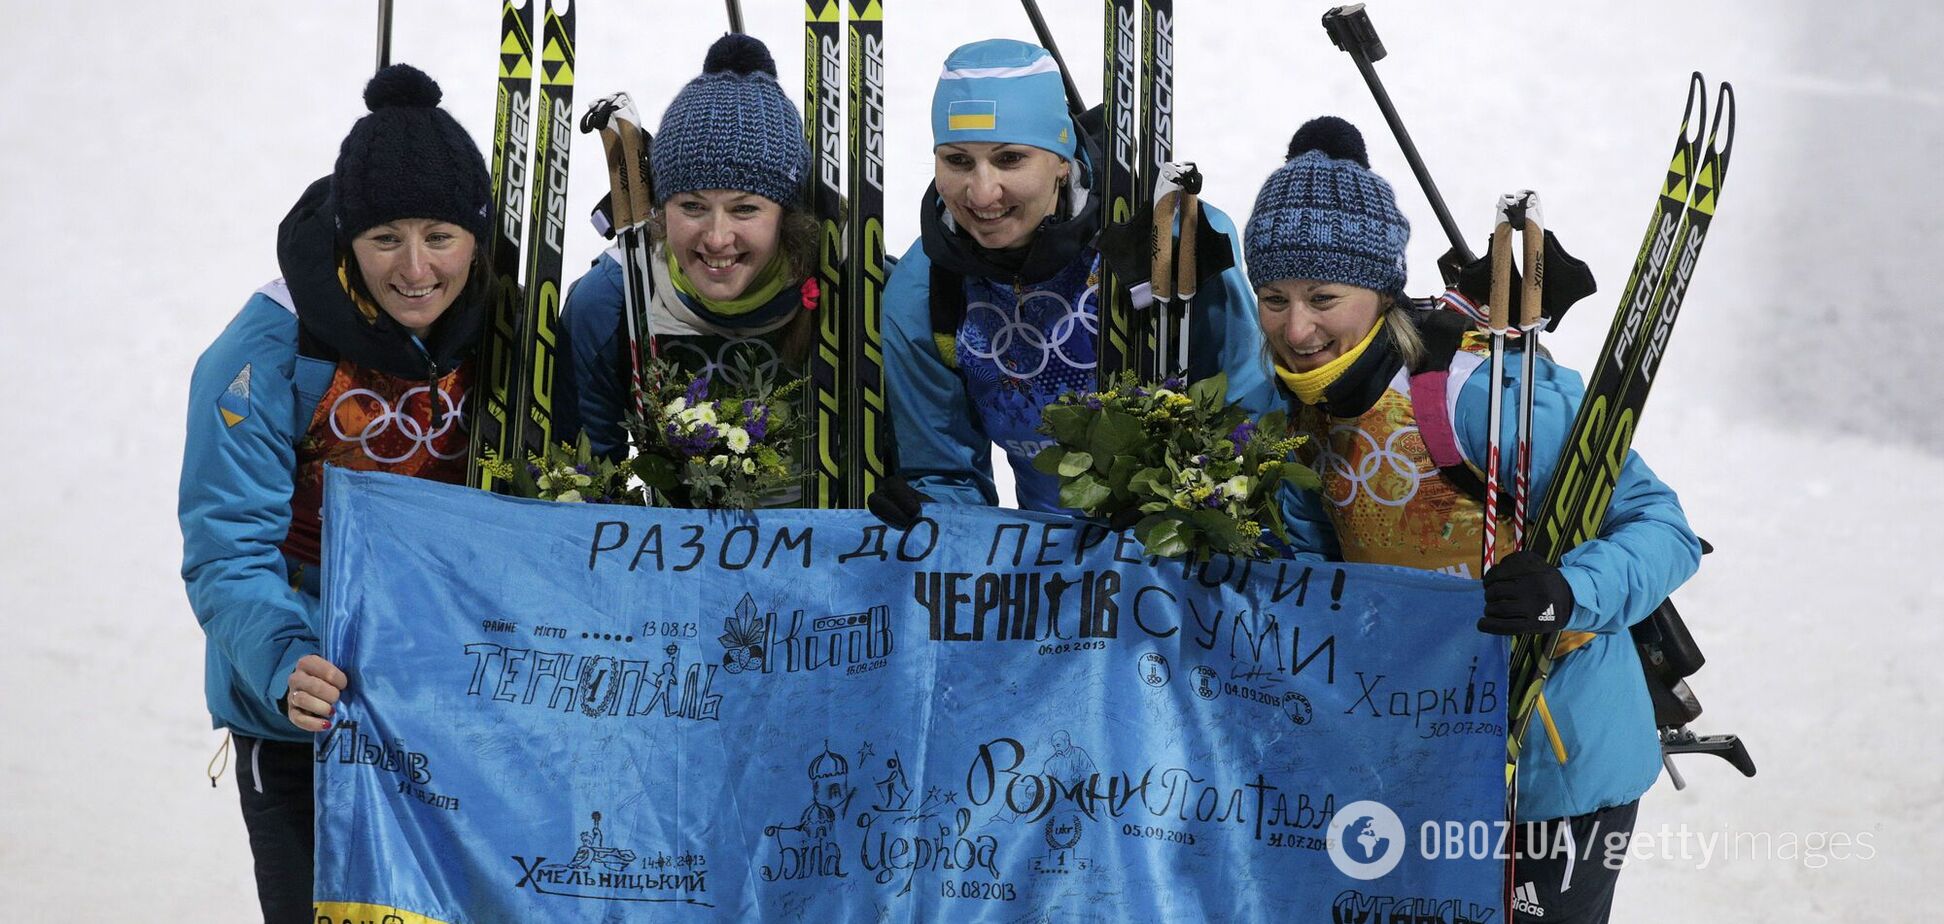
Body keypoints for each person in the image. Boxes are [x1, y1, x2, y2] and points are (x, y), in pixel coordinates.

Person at [1244, 116, 1701, 923]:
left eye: (1323, 298)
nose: (1297, 328)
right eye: (1273, 299)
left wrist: (1567, 589)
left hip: (1556, 775)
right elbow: (1322, 589)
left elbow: (1660, 524)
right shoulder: (1303, 420)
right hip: (1415, 761)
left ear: (1382, 291)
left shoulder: (1479, 395)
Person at [178, 64, 492, 920]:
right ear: (348, 237)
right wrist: (286, 661)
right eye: (387, 237)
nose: (418, 268)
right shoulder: (261, 354)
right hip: (305, 722)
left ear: (478, 235)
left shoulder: (505, 328)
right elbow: (226, 550)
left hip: (450, 718)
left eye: (441, 235)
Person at [879, 39, 1275, 514]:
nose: (982, 194)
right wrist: (929, 512)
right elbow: (945, 473)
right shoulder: (925, 286)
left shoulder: (1171, 239)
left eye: (1010, 159)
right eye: (958, 161)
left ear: (1062, 162)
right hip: (1047, 568)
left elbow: (1252, 418)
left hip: (1177, 557)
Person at [556, 33, 819, 468]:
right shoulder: (609, 303)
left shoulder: (856, 288)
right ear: (661, 209)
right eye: (692, 206)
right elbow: (584, 487)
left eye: (745, 209)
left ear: (786, 215)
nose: (717, 238)